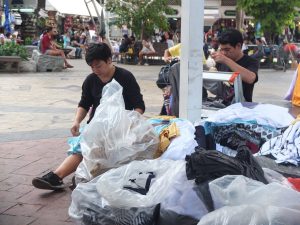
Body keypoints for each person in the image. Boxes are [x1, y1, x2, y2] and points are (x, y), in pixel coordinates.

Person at [32, 43, 145, 191]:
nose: (95, 70)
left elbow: (139, 106)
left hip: (121, 127)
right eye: (91, 67)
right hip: (96, 127)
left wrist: (128, 123)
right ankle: (61, 176)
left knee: (91, 147)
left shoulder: (125, 77)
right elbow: (84, 104)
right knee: (84, 145)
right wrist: (77, 121)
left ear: (109, 60)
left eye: (98, 66)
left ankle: (69, 177)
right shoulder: (91, 80)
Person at [209, 28, 259, 103]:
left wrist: (226, 60)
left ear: (238, 46)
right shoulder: (220, 62)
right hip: (221, 106)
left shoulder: (251, 61)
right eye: (221, 49)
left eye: (227, 49)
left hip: (242, 108)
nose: (223, 53)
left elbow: (251, 78)